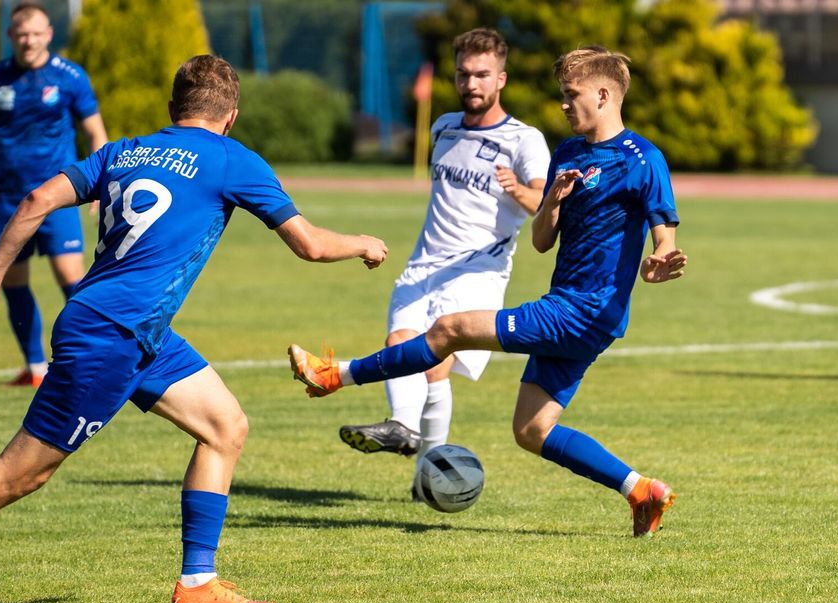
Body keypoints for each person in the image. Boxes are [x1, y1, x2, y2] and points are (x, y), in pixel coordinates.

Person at [0, 54, 389, 603]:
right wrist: (362, 241)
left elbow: (34, 201)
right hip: (110, 338)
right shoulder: (234, 160)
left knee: (225, 426)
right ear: (231, 115)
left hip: (133, 329)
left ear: (171, 110)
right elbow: (307, 244)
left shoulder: (123, 152)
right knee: (20, 473)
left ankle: (198, 587)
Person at [290, 45, 687, 537]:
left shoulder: (642, 159)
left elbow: (663, 234)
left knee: (450, 329)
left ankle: (336, 376)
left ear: (603, 94)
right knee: (531, 431)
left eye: (571, 95)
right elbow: (542, 242)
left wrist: (658, 260)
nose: (563, 105)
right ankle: (640, 490)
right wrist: (552, 205)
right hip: (572, 308)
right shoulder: (568, 154)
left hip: (582, 310)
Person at [336, 29, 550, 496]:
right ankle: (413, 450)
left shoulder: (524, 140)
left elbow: (548, 204)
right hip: (422, 266)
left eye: (482, 75)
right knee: (400, 344)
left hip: (478, 272)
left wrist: (521, 191)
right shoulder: (443, 128)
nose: (471, 83)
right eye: (463, 73)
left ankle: (412, 446)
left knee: (434, 362)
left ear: (502, 79)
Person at [0, 1, 108, 388]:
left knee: (70, 275)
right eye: (22, 34)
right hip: (7, 198)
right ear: (11, 36)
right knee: (11, 282)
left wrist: (99, 185)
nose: (29, 41)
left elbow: (95, 132)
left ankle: (93, 355)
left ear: (49, 35)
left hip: (58, 195)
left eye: (37, 33)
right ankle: (36, 369)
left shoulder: (70, 76)